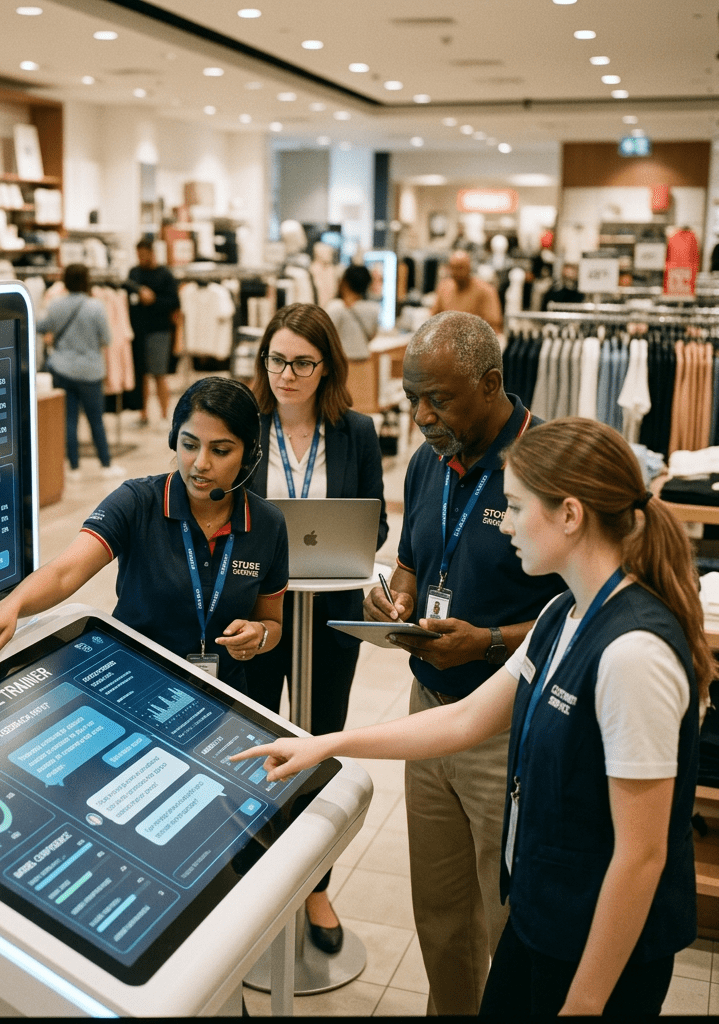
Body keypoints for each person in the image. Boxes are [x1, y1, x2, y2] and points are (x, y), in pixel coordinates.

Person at [234, 416, 709, 1016]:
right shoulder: (563, 614)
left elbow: (642, 856)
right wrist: (327, 744)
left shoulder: (635, 654)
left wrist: (585, 1004)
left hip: (598, 949)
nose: (504, 523)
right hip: (542, 914)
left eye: (514, 506)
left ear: (570, 514)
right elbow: (462, 721)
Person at [366, 310, 564, 1014]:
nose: (421, 415)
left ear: (490, 384)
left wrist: (485, 642)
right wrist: (402, 597)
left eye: (438, 398)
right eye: (412, 397)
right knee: (441, 912)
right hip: (430, 711)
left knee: (507, 914)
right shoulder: (427, 460)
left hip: (508, 728)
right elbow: (418, 557)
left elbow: (577, 614)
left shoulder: (546, 464)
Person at [0, 377, 288, 692]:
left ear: (248, 457)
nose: (200, 463)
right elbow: (65, 571)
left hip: (220, 696)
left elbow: (272, 624)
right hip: (131, 685)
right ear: (174, 440)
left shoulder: (268, 524)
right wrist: (13, 605)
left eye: (220, 450)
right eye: (189, 445)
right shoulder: (137, 501)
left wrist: (259, 636)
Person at [245, 302, 388, 955]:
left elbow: (377, 524)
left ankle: (316, 885)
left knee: (321, 731)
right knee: (247, 730)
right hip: (257, 604)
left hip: (332, 602)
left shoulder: (355, 432)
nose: (288, 374)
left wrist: (350, 546)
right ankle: (247, 872)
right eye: (278, 360)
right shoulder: (244, 426)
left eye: (303, 362)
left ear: (327, 365)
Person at [38, 263, 123, 480]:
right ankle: (105, 465)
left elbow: (41, 326)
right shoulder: (96, 306)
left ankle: (74, 468)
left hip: (61, 368)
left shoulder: (56, 304)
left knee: (69, 420)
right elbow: (106, 338)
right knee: (96, 419)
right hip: (90, 371)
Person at [126, 238, 179, 426]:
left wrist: (153, 299)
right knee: (141, 374)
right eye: (138, 255)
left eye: (143, 255)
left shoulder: (165, 275)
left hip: (159, 331)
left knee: (159, 374)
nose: (140, 258)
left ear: (151, 253)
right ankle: (143, 414)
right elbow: (126, 289)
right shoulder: (134, 273)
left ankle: (165, 415)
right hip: (138, 331)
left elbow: (174, 303)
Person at [431, 250, 504, 333]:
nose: (455, 272)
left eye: (460, 267)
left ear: (469, 268)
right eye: (453, 267)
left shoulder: (486, 290)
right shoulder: (444, 287)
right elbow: (434, 318)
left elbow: (494, 325)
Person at [325, 264, 380, 361]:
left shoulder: (336, 306)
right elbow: (372, 336)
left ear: (345, 282)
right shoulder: (373, 309)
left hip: (342, 363)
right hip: (365, 362)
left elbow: (326, 336)